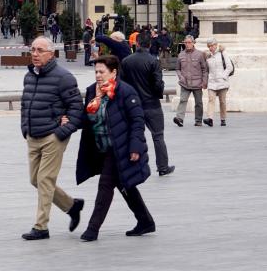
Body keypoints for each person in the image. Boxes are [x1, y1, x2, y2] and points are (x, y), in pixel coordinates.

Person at [75, 55, 155, 241]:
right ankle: (145, 221)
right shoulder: (91, 91)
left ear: (113, 72)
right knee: (124, 184)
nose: (97, 75)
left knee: (105, 185)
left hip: (120, 147)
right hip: (100, 148)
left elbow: (137, 120)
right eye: (95, 71)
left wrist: (135, 147)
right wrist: (67, 120)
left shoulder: (125, 92)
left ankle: (92, 229)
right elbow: (85, 117)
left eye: (101, 72)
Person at [19, 37, 85, 241]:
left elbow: (77, 109)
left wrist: (62, 132)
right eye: (33, 50)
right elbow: (24, 104)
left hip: (52, 137)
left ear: (51, 54)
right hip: (33, 135)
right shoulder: (29, 76)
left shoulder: (64, 77)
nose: (35, 54)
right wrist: (25, 128)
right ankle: (72, 206)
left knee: (45, 180)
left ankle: (41, 227)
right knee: (35, 180)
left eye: (40, 50)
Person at [119, 34, 174, 176]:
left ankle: (132, 165)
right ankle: (162, 166)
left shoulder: (126, 61)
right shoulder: (153, 61)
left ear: (136, 44)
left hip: (133, 105)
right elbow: (157, 83)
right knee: (158, 136)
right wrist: (158, 93)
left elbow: (121, 84)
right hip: (152, 104)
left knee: (134, 135)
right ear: (149, 44)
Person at [174, 35, 208, 127]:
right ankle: (179, 119)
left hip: (197, 83)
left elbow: (205, 69)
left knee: (199, 103)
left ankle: (198, 120)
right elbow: (177, 68)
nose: (187, 44)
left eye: (189, 42)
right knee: (183, 100)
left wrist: (204, 82)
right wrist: (180, 77)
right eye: (186, 42)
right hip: (185, 83)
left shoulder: (200, 54)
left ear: (193, 43)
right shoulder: (181, 55)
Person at [204, 38, 234, 127]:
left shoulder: (222, 53)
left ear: (216, 45)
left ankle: (223, 119)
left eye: (212, 45)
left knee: (222, 102)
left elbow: (229, 67)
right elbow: (206, 70)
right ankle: (210, 119)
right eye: (209, 46)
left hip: (222, 82)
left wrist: (223, 76)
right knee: (211, 100)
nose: (210, 48)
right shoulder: (208, 56)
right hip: (212, 82)